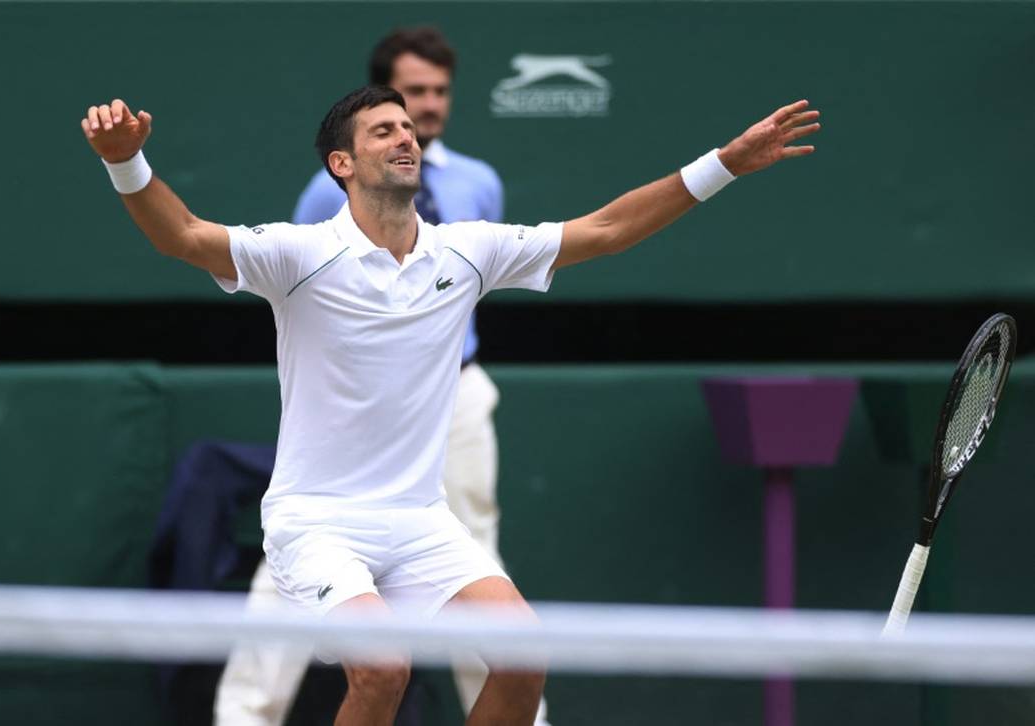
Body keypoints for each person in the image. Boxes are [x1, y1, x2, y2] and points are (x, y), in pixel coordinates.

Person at [80, 84, 819, 725]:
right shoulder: (296, 255)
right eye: (383, 130)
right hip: (316, 523)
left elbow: (607, 229)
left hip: (420, 521)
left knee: (524, 659)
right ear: (343, 164)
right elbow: (179, 236)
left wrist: (725, 162)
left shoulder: (468, 251)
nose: (406, 136)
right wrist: (126, 160)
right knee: (382, 671)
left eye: (408, 128)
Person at [215, 25, 542, 726]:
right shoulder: (320, 204)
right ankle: (243, 715)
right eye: (410, 94)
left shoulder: (478, 184)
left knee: (480, 563)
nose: (424, 110)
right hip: (342, 430)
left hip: (452, 399)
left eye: (435, 93)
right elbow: (304, 290)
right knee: (296, 580)